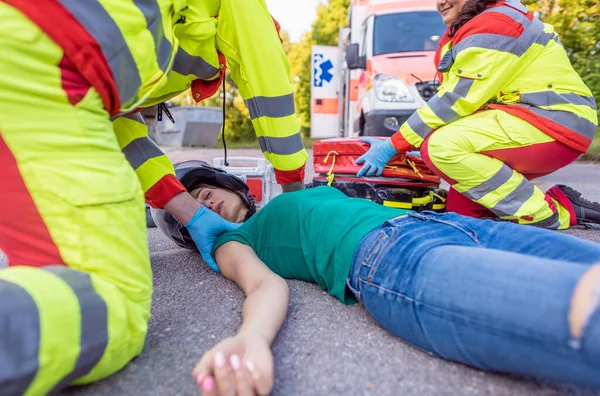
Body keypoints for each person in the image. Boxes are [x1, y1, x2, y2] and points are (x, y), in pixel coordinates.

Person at [0, 0, 307, 394]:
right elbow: (268, 79)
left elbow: (116, 123)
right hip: (46, 52)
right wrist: (294, 187)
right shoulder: (242, 13)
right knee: (111, 301)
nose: (208, 204)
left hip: (38, 62)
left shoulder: (160, 39)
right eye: (201, 196)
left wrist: (188, 210)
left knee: (53, 280)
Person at [152, 164, 600, 395]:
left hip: (442, 225)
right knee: (581, 310)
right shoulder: (231, 242)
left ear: (230, 184)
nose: (202, 198)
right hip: (390, 259)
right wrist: (252, 338)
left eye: (204, 187)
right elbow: (264, 285)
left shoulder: (287, 198)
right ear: (192, 231)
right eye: (192, 203)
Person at [356, 0, 599, 230]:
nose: (440, 2)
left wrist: (394, 144)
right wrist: (417, 146)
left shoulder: (496, 24)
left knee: (442, 148)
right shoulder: (471, 26)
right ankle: (568, 204)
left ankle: (548, 213)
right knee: (463, 212)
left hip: (553, 120)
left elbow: (456, 101)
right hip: (527, 118)